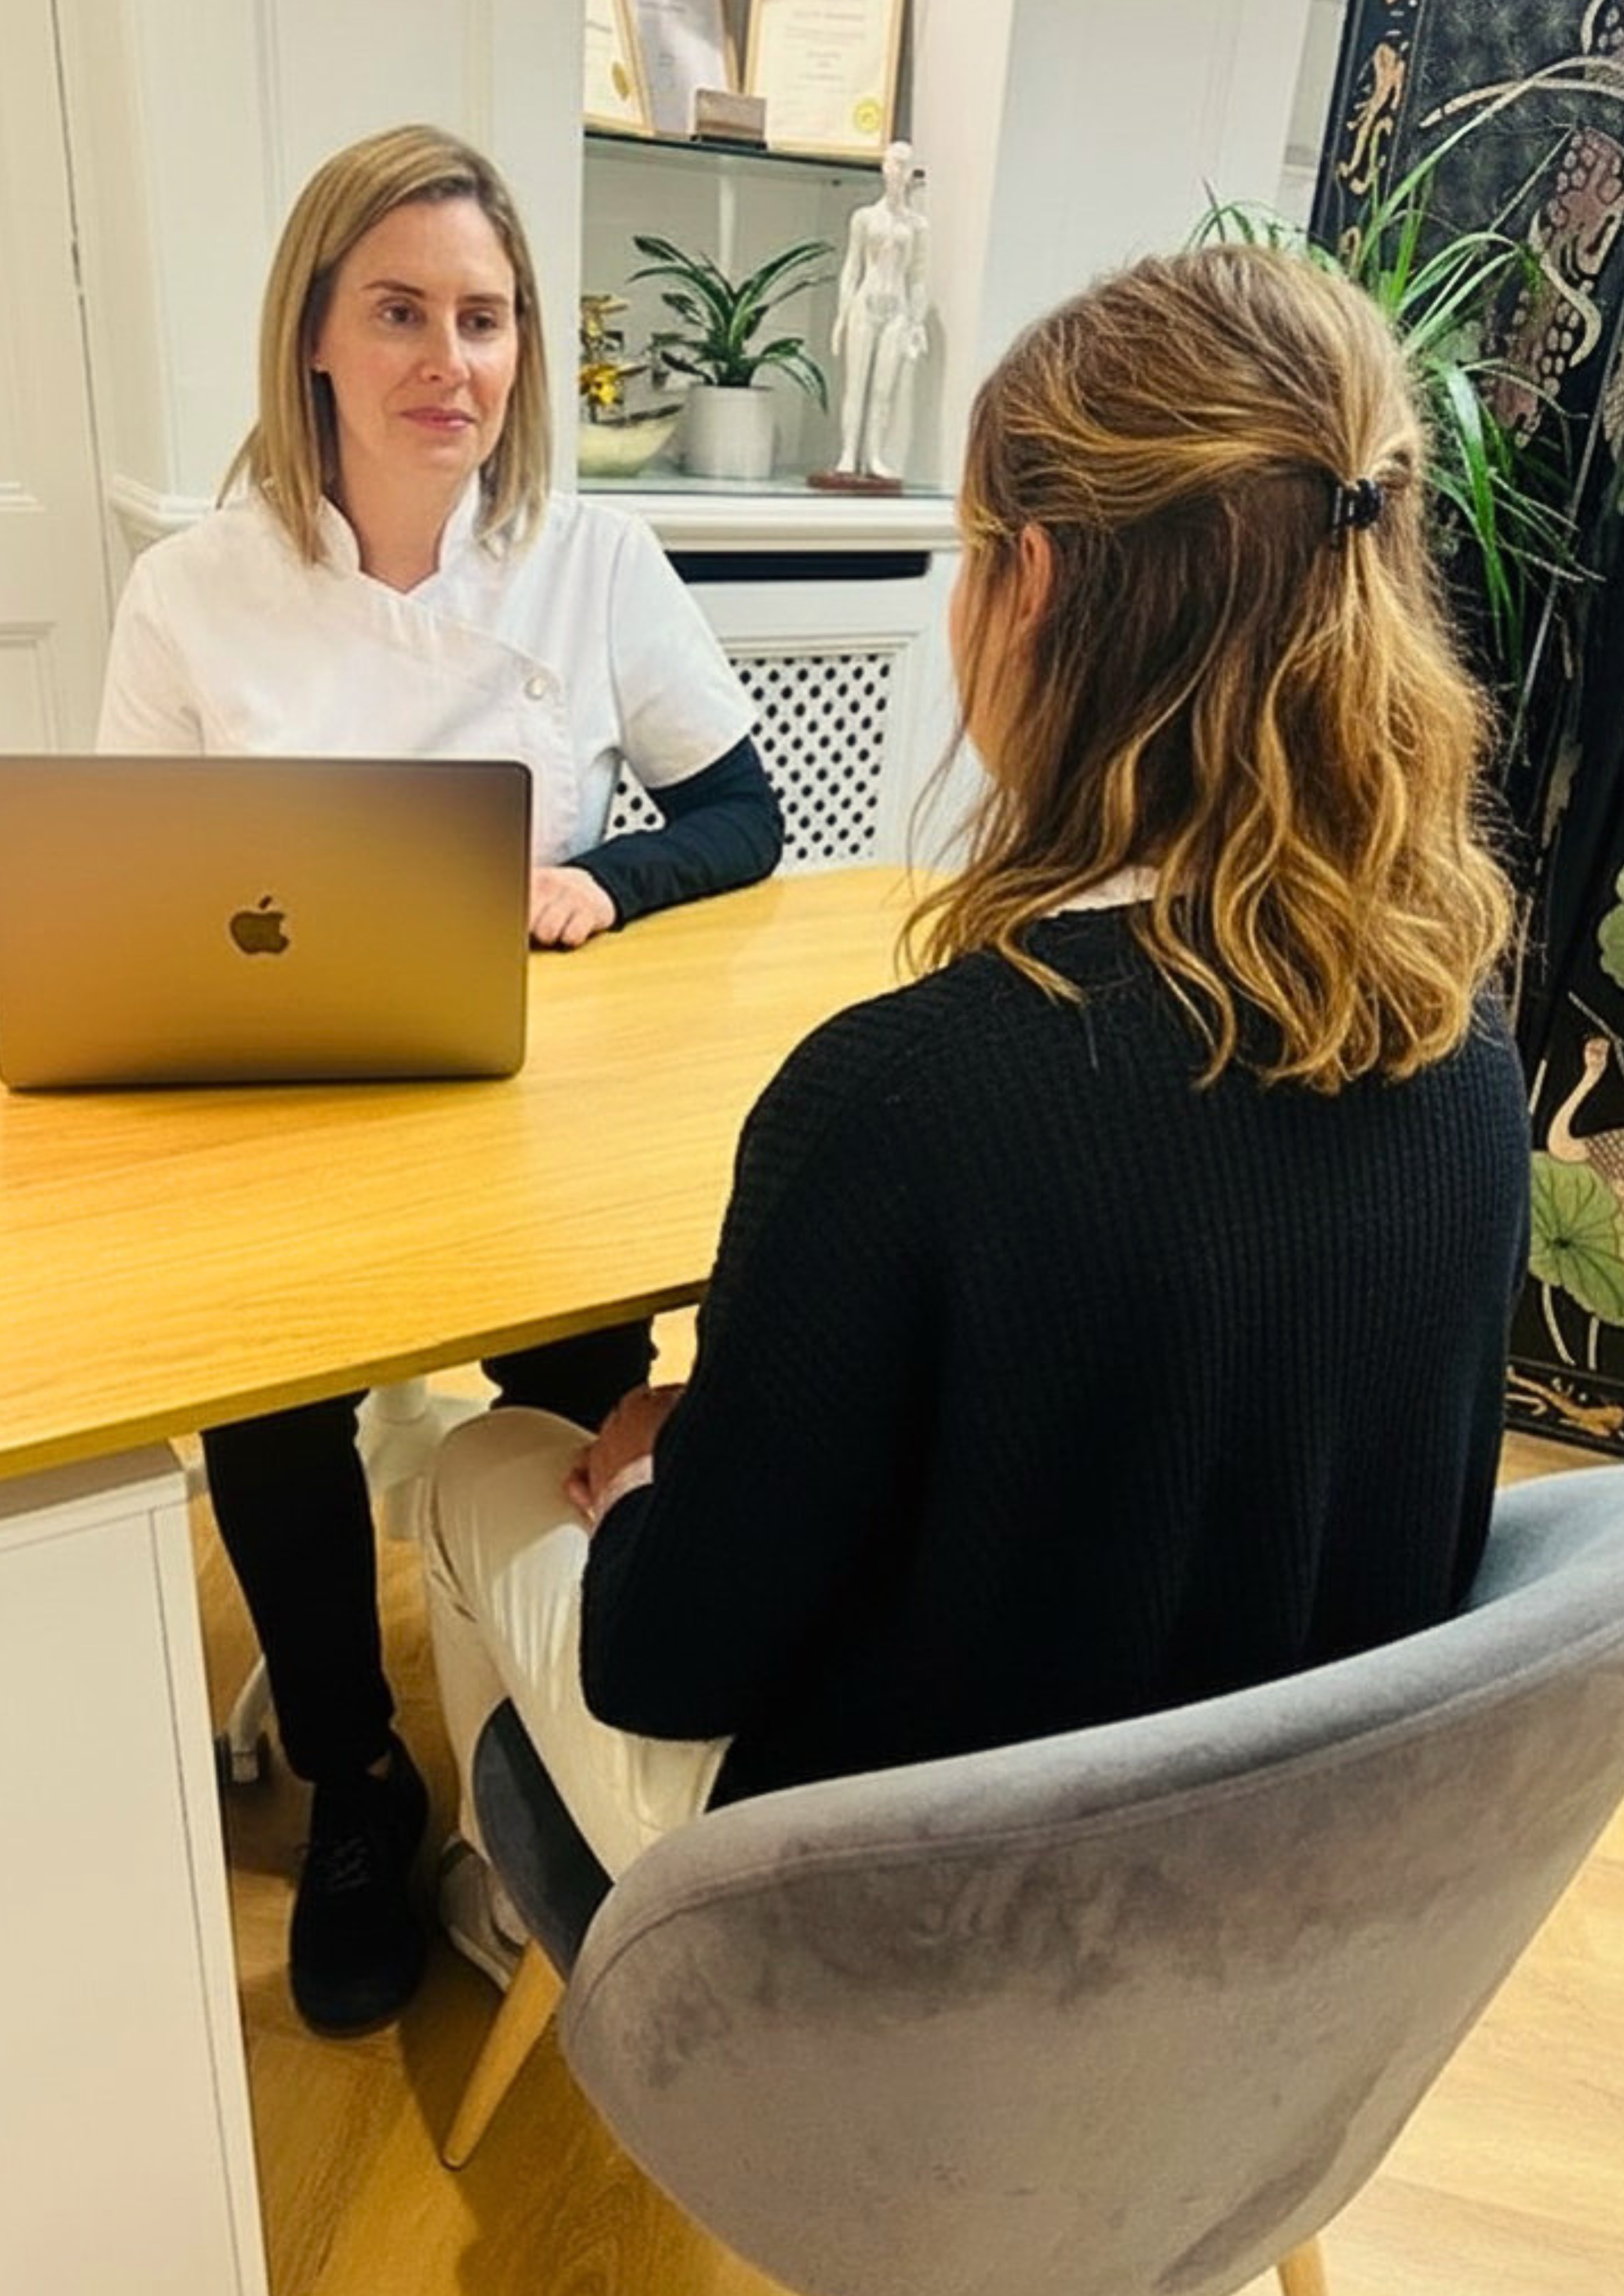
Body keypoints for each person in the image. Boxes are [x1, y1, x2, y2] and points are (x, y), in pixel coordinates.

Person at [423, 242, 1530, 1979]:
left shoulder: (898, 1105)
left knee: (464, 1457)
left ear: (1026, 585)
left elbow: (665, 1664)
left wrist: (655, 1481)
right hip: (1291, 1929)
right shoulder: (1464, 1052)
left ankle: (503, 1892)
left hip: (912, 1950)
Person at [95, 124, 782, 2035]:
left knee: (580, 1375)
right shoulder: (192, 590)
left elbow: (740, 807)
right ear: (312, 333)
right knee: (271, 1404)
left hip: (522, 1104)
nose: (450, 361)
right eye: (400, 310)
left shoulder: (593, 556)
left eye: (486, 319)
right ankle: (357, 1774)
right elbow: (121, 897)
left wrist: (598, 877)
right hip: (283, 1112)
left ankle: (562, 1747)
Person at [831, 140, 929, 480]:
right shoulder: (864, 218)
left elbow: (918, 276)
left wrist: (917, 322)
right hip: (866, 303)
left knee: (883, 389)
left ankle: (873, 455)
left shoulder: (917, 226)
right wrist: (841, 318)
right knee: (855, 385)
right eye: (893, 163)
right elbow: (851, 268)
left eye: (905, 165)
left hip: (897, 309)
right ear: (883, 168)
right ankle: (847, 453)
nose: (898, 171)